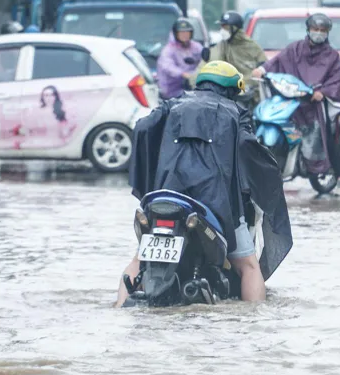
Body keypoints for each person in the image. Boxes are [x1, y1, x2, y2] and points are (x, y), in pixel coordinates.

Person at [117, 61, 292, 305]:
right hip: (217, 202)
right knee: (249, 267)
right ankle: (254, 324)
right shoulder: (236, 112)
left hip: (167, 196)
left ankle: (117, 310)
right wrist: (269, 169)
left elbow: (143, 128)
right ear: (232, 88)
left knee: (138, 260)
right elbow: (247, 149)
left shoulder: (172, 104)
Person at [252, 13, 340, 179]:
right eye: (315, 29)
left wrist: (322, 93)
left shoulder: (332, 56)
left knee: (327, 136)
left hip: (315, 104)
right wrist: (262, 70)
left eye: (322, 30)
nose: (318, 32)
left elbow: (335, 81)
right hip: (293, 99)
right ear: (308, 30)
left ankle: (336, 172)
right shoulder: (295, 48)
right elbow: (276, 61)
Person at [206, 11, 268, 104]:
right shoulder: (222, 45)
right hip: (225, 91)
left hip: (249, 94)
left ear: (235, 28)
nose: (222, 30)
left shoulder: (251, 46)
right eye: (222, 27)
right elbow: (212, 63)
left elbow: (264, 68)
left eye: (226, 27)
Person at [156, 17, 203, 99]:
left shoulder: (196, 47)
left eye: (187, 32)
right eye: (181, 33)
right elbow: (167, 66)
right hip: (172, 90)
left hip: (192, 86)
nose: (185, 35)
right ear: (175, 34)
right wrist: (182, 74)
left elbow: (204, 60)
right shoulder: (169, 49)